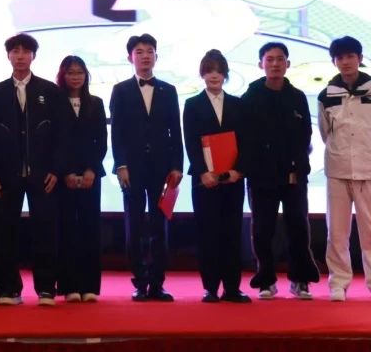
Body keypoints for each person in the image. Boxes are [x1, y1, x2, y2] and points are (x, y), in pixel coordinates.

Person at [0, 33, 64, 306]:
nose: (20, 56)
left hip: (43, 174)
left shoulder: (49, 90)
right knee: (6, 231)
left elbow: (60, 135)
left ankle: (46, 288)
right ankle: (10, 288)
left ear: (33, 56)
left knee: (45, 231)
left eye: (25, 51)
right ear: (8, 56)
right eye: (15, 51)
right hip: (7, 175)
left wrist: (55, 169)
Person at [242, 41, 319, 300]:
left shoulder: (297, 97)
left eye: (280, 59)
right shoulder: (250, 98)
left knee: (298, 226)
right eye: (270, 59)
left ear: (288, 63)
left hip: (294, 174)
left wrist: (299, 165)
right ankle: (266, 279)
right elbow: (245, 138)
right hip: (261, 176)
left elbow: (306, 134)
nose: (275, 64)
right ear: (261, 64)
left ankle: (300, 279)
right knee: (263, 230)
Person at [110, 33, 183, 302]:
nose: (145, 56)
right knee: (135, 225)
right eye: (139, 52)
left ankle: (158, 283)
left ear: (156, 56)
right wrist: (121, 165)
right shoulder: (120, 90)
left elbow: (175, 131)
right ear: (130, 57)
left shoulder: (168, 90)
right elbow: (116, 132)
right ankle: (140, 282)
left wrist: (177, 165)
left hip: (162, 168)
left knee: (159, 225)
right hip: (132, 168)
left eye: (149, 51)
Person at [182, 50, 251, 304]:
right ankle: (210, 287)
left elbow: (246, 141)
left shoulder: (238, 104)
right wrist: (203, 171)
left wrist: (238, 170)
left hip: (232, 179)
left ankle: (232, 288)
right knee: (207, 232)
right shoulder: (192, 104)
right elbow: (190, 141)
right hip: (205, 180)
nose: (214, 75)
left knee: (232, 232)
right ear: (202, 74)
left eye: (219, 71)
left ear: (225, 74)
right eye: (209, 70)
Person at [317, 35, 371, 302]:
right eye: (340, 57)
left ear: (360, 58)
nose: (346, 62)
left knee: (370, 231)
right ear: (334, 62)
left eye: (350, 56)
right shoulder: (326, 95)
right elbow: (324, 132)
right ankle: (338, 283)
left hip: (368, 169)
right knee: (337, 232)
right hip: (337, 170)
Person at [56, 55, 107, 303]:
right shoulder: (54, 103)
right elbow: (53, 141)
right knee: (67, 230)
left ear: (86, 75)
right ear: (63, 75)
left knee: (90, 229)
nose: (75, 77)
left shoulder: (96, 103)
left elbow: (101, 141)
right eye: (70, 72)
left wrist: (91, 170)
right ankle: (69, 286)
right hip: (63, 176)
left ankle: (90, 286)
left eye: (79, 72)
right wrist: (65, 172)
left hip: (90, 176)